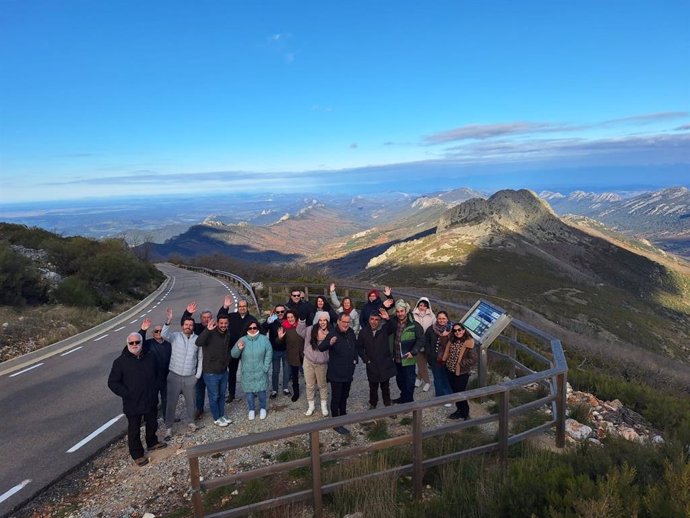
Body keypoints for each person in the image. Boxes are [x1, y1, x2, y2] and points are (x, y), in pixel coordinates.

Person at [108, 332, 167, 466]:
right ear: (127, 344)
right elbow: (112, 382)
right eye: (131, 343)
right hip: (132, 403)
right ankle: (137, 454)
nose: (134, 345)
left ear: (141, 343)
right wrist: (127, 393)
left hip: (150, 399)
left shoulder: (151, 357)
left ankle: (152, 442)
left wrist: (156, 387)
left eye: (137, 342)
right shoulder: (120, 362)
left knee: (152, 423)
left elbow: (158, 373)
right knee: (134, 429)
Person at [161, 308, 202, 438]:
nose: (188, 327)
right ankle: (168, 427)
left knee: (191, 402)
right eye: (186, 325)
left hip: (190, 376)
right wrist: (168, 321)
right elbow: (163, 335)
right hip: (174, 375)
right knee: (171, 403)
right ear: (182, 326)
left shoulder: (198, 339)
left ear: (193, 327)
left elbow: (201, 358)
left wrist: (197, 375)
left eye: (190, 325)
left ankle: (191, 422)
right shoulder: (175, 336)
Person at [319, 313, 358, 434]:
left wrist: (355, 359)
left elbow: (354, 346)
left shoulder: (351, 332)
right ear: (338, 322)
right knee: (336, 398)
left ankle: (343, 414)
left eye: (348, 322)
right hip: (336, 373)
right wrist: (329, 343)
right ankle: (336, 423)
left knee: (345, 395)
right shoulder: (333, 334)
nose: (346, 324)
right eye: (344, 322)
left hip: (348, 371)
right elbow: (321, 347)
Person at [380, 299, 424, 404]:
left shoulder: (414, 325)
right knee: (399, 380)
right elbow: (383, 325)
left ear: (406, 311)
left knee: (409, 381)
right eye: (398, 311)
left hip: (408, 358)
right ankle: (403, 397)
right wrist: (386, 318)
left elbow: (421, 339)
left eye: (402, 311)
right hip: (396, 358)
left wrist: (413, 351)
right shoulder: (393, 322)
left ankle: (409, 401)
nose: (400, 314)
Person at [218, 295, 259, 403]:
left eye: (244, 306)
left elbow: (259, 332)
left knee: (249, 371)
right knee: (232, 372)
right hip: (233, 349)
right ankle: (231, 394)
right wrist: (225, 307)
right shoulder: (231, 317)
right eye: (240, 306)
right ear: (237, 307)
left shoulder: (252, 319)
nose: (242, 308)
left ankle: (252, 390)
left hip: (247, 350)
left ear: (247, 307)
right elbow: (220, 317)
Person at [231, 322, 272, 420]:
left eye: (254, 327)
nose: (252, 329)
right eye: (250, 328)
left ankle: (263, 408)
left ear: (258, 328)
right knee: (249, 393)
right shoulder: (242, 340)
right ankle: (251, 409)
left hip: (261, 370)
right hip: (247, 371)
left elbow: (269, 353)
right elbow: (233, 354)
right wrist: (238, 348)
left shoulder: (264, 339)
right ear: (246, 329)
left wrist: (265, 367)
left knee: (262, 391)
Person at [196, 315, 232, 427]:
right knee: (214, 396)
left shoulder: (227, 334)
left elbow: (226, 349)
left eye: (225, 323)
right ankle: (216, 418)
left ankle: (221, 415)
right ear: (217, 323)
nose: (223, 325)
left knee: (222, 395)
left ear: (228, 324)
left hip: (223, 371)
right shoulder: (210, 333)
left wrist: (227, 361)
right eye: (221, 323)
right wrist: (207, 329)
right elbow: (198, 342)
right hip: (211, 372)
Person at [356, 312, 396, 409]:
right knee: (373, 386)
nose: (374, 322)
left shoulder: (384, 330)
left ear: (380, 321)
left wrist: (388, 318)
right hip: (372, 364)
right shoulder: (363, 332)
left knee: (385, 386)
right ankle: (373, 403)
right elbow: (359, 348)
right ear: (369, 320)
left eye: (376, 319)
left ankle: (387, 404)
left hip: (384, 363)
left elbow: (394, 327)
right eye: (372, 319)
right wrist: (366, 360)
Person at [181, 301, 213, 420]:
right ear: (200, 319)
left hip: (211, 365)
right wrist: (188, 312)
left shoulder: (216, 328)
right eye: (204, 317)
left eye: (208, 317)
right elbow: (185, 323)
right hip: (197, 365)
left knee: (213, 389)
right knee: (199, 390)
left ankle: (216, 408)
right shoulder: (197, 328)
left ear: (212, 318)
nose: (206, 319)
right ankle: (199, 409)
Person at [442, 322, 478, 420]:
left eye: (459, 330)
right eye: (455, 330)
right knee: (455, 392)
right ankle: (459, 410)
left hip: (461, 372)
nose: (457, 332)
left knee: (460, 393)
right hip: (450, 370)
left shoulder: (469, 342)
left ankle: (465, 413)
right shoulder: (452, 340)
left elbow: (473, 359)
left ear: (463, 330)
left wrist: (461, 363)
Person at [298, 311, 331, 417]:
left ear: (327, 321)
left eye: (324, 320)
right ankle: (311, 405)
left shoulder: (331, 332)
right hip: (308, 361)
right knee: (310, 385)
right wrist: (302, 321)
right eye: (320, 320)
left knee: (322, 385)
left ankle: (323, 405)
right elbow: (299, 331)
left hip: (322, 363)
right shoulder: (310, 330)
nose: (322, 322)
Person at [138, 318, 172, 420]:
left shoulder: (169, 344)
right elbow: (139, 342)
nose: (158, 333)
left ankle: (167, 417)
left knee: (166, 399)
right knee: (152, 400)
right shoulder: (147, 344)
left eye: (160, 331)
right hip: (152, 378)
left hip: (166, 377)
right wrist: (143, 330)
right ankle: (150, 419)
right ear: (152, 333)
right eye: (156, 331)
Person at [424, 310, 453, 406]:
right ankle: (439, 396)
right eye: (439, 318)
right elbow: (426, 343)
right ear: (436, 319)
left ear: (447, 319)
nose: (441, 320)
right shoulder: (431, 329)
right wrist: (429, 355)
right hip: (434, 358)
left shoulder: (452, 330)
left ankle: (448, 397)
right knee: (437, 378)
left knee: (446, 378)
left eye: (443, 318)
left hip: (448, 359)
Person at [262, 304, 290, 398]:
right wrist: (267, 321)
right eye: (278, 312)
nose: (280, 313)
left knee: (286, 370)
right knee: (275, 371)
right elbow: (262, 329)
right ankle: (274, 390)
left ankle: (285, 388)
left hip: (286, 349)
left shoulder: (288, 320)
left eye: (282, 311)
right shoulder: (272, 320)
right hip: (275, 349)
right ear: (275, 312)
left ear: (285, 311)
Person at [276, 309, 303, 402]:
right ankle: (296, 393)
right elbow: (278, 342)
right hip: (293, 354)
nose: (290, 319)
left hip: (303, 353)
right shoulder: (284, 327)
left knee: (308, 374)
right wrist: (279, 338)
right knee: (295, 376)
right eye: (288, 317)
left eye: (292, 317)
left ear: (295, 317)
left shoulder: (301, 325)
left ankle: (310, 391)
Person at [412, 297, 436, 392]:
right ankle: (427, 381)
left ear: (428, 307)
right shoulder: (413, 315)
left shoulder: (432, 316)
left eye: (424, 306)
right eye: (420, 305)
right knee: (421, 363)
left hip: (427, 343)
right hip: (416, 342)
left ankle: (418, 378)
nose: (422, 307)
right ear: (418, 305)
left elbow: (434, 328)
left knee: (423, 362)